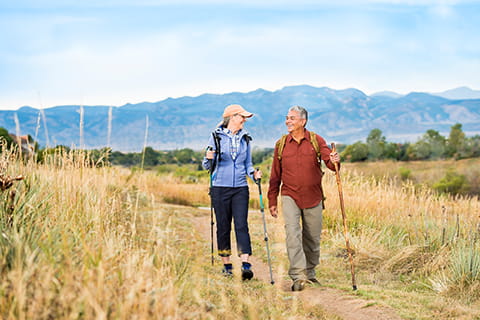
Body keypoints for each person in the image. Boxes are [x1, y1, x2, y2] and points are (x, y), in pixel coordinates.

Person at [267, 105, 340, 291]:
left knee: (312, 238)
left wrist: (335, 160)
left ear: (303, 121)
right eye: (287, 118)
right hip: (289, 194)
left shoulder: (316, 140)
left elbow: (330, 164)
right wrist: (272, 200)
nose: (287, 121)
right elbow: (275, 175)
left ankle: (310, 273)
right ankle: (298, 276)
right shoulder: (281, 144)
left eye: (292, 118)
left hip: (314, 196)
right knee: (292, 234)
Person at [202, 104, 262, 280]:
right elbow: (207, 166)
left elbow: (248, 164)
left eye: (245, 117)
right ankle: (227, 265)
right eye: (241, 117)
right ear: (232, 117)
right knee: (223, 226)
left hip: (240, 188)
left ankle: (245, 265)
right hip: (220, 187)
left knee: (242, 225)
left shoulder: (246, 139)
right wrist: (208, 158)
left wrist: (254, 174)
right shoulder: (216, 137)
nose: (244, 120)